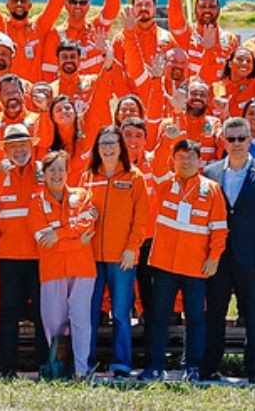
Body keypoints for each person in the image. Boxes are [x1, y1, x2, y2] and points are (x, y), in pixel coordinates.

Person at [139, 139, 228, 383]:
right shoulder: (166, 183)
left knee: (196, 319)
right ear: (173, 160)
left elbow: (219, 228)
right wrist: (169, 135)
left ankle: (192, 367)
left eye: (190, 157)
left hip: (195, 265)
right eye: (180, 156)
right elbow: (156, 163)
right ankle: (155, 366)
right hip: (165, 263)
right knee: (158, 317)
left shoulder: (211, 189)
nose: (186, 161)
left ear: (199, 161)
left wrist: (214, 257)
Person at [200, 117, 255, 384]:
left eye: (241, 138)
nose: (236, 144)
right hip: (218, 258)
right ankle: (210, 367)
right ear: (223, 141)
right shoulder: (210, 173)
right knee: (215, 313)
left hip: (253, 257)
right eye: (231, 139)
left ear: (249, 140)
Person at [82, 126, 148, 377]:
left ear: (121, 146)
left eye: (112, 143)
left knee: (121, 312)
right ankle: (85, 361)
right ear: (97, 148)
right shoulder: (88, 176)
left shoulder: (135, 177)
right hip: (90, 258)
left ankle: (121, 363)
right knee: (89, 312)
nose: (108, 148)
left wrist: (132, 249)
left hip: (122, 258)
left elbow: (141, 218)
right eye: (103, 144)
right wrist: (85, 215)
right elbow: (75, 209)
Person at [30, 150, 97, 380]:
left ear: (68, 172)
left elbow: (87, 224)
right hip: (53, 269)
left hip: (82, 269)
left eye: (61, 169)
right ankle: (57, 367)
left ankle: (81, 371)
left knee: (80, 320)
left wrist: (59, 235)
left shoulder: (83, 195)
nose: (57, 174)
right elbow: (42, 241)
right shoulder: (36, 202)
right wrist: (77, 241)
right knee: (53, 322)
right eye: (52, 170)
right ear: (44, 174)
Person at [0, 124, 50, 377]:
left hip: (40, 256)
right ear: (5, 150)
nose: (19, 151)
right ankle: (7, 368)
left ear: (31, 147)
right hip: (8, 258)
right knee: (8, 314)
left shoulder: (43, 172)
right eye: (13, 147)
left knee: (42, 314)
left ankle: (44, 365)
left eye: (23, 145)